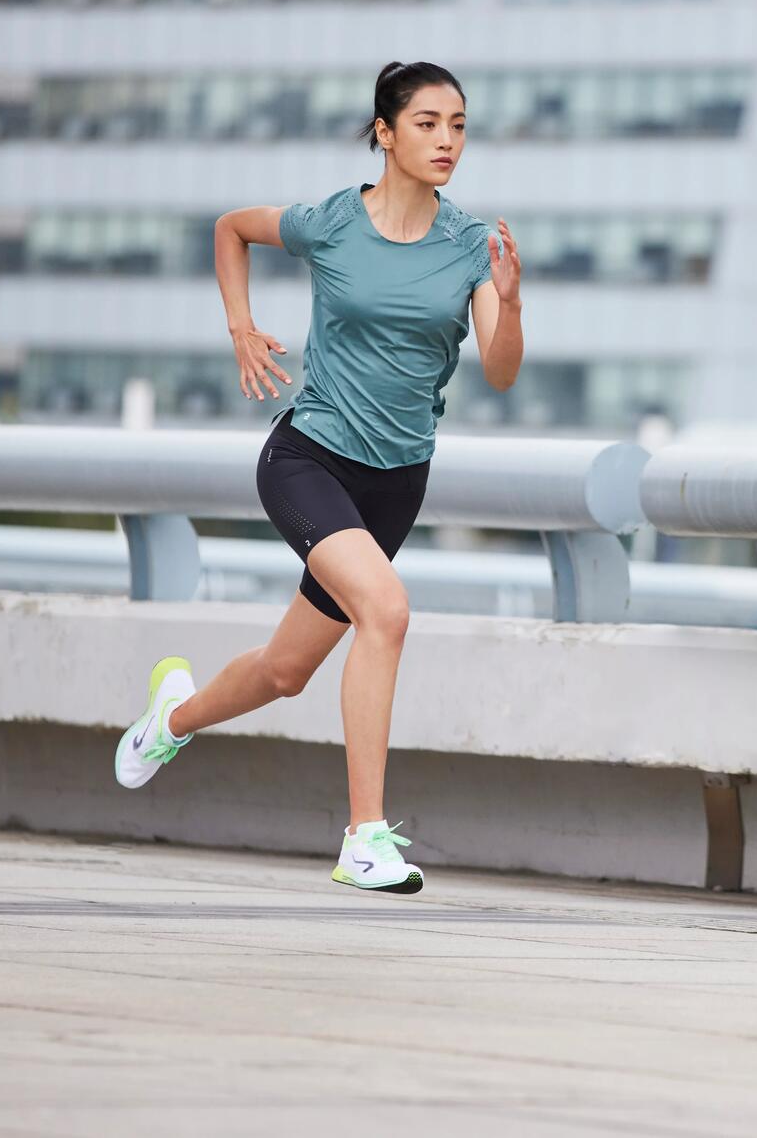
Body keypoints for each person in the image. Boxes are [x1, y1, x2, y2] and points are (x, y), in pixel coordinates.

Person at [113, 61, 524, 895]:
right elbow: (231, 228)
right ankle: (363, 837)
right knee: (388, 609)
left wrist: (509, 303)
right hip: (310, 458)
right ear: (385, 132)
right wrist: (241, 327)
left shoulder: (471, 246)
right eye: (427, 123)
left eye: (459, 125)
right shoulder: (333, 221)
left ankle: (174, 717)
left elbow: (505, 371)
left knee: (285, 670)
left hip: (395, 482)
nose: (447, 140)